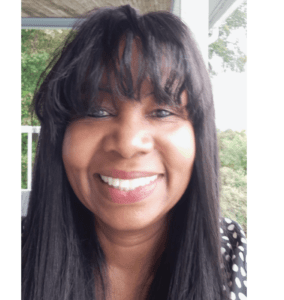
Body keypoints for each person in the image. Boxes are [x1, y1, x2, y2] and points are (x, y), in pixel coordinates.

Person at [21, 5, 247, 300]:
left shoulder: (235, 258)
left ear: (199, 136)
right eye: (96, 110)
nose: (127, 144)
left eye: (163, 111)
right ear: (60, 134)